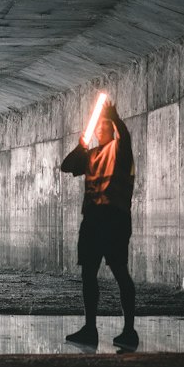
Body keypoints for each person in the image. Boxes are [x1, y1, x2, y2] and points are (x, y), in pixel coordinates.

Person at [60, 97, 138, 350]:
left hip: (114, 217)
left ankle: (129, 330)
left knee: (119, 271)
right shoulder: (91, 154)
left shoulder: (120, 149)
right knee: (88, 274)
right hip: (93, 219)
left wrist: (114, 116)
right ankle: (90, 328)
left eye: (105, 125)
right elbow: (66, 166)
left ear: (112, 128)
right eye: (98, 126)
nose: (100, 129)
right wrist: (81, 144)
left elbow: (124, 137)